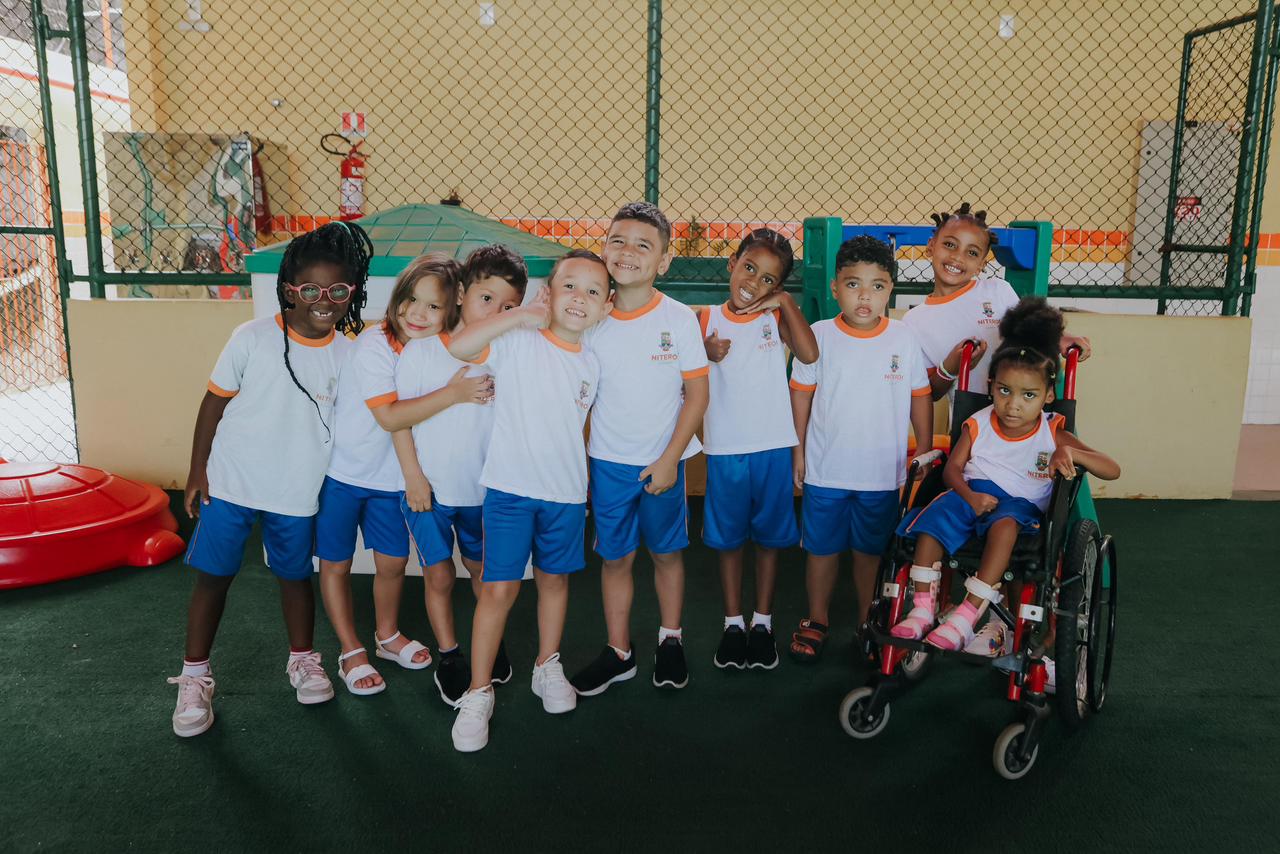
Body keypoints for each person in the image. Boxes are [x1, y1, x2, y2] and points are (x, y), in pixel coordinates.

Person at [167, 221, 371, 736]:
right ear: (289, 291)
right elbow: (213, 405)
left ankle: (302, 659)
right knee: (214, 577)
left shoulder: (349, 355)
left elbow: (355, 425)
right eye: (310, 290)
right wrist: (197, 470)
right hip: (231, 483)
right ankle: (195, 676)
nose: (324, 301)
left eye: (338, 291)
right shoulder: (252, 338)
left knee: (293, 577)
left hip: (297, 492)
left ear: (352, 293)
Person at [891, 296, 1120, 691]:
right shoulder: (979, 422)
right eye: (1004, 392)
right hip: (970, 494)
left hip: (1017, 509)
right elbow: (952, 470)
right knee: (931, 519)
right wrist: (969, 496)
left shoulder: (1053, 430)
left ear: (1048, 396)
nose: (1013, 405)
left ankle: (967, 614)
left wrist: (1071, 450)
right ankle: (923, 610)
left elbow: (1112, 469)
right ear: (991, 387)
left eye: (1028, 396)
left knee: (1007, 525)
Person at [447, 250, 612, 752]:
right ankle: (478, 692)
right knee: (498, 590)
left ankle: (547, 665)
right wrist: (518, 314)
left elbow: (575, 428)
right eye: (569, 286)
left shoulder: (593, 363)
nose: (579, 299)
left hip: (564, 495)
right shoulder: (517, 342)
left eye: (592, 291)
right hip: (510, 492)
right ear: (549, 293)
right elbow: (459, 345)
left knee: (554, 581)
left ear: (605, 308)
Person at [569, 202, 710, 695]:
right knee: (615, 559)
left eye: (643, 245)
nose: (628, 253)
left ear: (664, 261)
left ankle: (670, 640)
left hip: (662, 464)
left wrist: (671, 458)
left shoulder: (678, 319)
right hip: (607, 465)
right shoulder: (587, 318)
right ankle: (619, 651)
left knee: (667, 555)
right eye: (618, 241)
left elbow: (697, 395)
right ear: (603, 247)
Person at [787, 235, 933, 664]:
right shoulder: (818, 336)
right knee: (821, 550)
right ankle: (816, 618)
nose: (864, 295)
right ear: (835, 287)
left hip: (882, 475)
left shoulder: (903, 339)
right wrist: (797, 452)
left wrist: (923, 449)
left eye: (877, 285)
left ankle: (869, 621)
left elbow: (919, 396)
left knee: (871, 553)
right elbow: (801, 395)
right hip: (826, 471)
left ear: (891, 290)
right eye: (853, 284)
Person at [392, 246, 526, 705]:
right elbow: (400, 420)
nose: (497, 312)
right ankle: (449, 654)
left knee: (483, 572)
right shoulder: (422, 350)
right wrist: (413, 477)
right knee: (439, 574)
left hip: (482, 492)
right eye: (487, 299)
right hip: (427, 490)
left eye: (509, 307)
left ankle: (489, 641)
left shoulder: (508, 352)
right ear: (463, 293)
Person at [699, 228, 817, 670]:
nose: (754, 282)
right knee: (729, 541)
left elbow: (808, 354)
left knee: (769, 539)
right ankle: (733, 623)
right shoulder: (705, 319)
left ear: (778, 286)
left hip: (773, 447)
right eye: (749, 268)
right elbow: (678, 370)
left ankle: (762, 622)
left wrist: (785, 303)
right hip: (725, 450)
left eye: (769, 279)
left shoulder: (776, 316)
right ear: (732, 264)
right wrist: (703, 351)